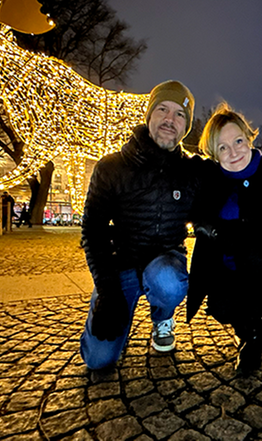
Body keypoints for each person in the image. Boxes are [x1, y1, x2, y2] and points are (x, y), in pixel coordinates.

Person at [80, 80, 202, 370]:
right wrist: (108, 291)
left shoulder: (192, 171)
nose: (170, 120)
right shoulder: (111, 167)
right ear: (149, 115)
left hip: (166, 263)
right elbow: (93, 230)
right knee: (98, 360)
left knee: (170, 283)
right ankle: (115, 310)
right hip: (121, 264)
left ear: (186, 127)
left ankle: (163, 317)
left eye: (179, 114)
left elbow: (223, 193)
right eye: (163, 109)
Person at [188, 103, 262, 375]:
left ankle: (257, 330)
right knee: (222, 308)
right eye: (223, 147)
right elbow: (197, 209)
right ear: (214, 153)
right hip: (227, 270)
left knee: (255, 260)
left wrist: (230, 233)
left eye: (238, 141)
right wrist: (207, 226)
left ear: (249, 137)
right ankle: (246, 330)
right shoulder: (211, 179)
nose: (233, 151)